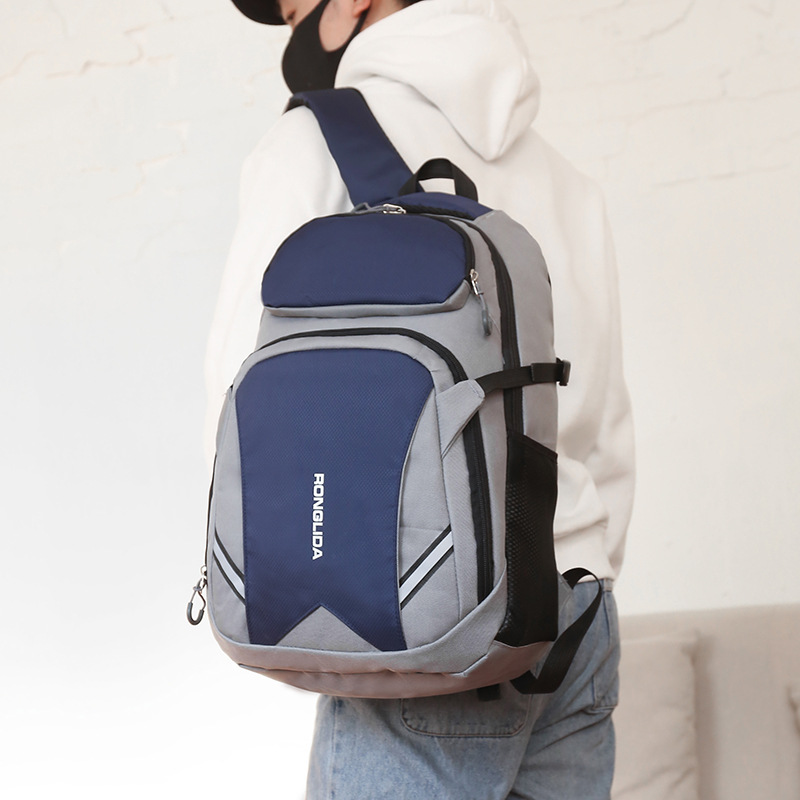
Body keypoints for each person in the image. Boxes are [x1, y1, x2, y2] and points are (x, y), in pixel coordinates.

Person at [204, 0, 635, 797]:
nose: (294, 31)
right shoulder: (567, 177)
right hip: (577, 613)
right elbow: (604, 420)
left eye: (295, 8)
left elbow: (241, 401)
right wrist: (584, 568)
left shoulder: (314, 140)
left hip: (429, 625)